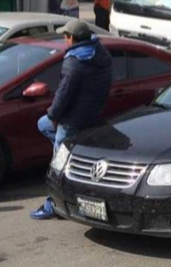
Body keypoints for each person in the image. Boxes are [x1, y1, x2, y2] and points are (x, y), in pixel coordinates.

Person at [30, 20, 113, 220]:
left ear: (72, 38)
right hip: (92, 115)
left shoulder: (74, 61)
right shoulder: (101, 53)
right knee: (43, 125)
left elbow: (63, 94)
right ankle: (68, 152)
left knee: (58, 164)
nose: (64, 40)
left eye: (65, 36)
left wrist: (53, 115)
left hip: (71, 120)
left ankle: (54, 204)